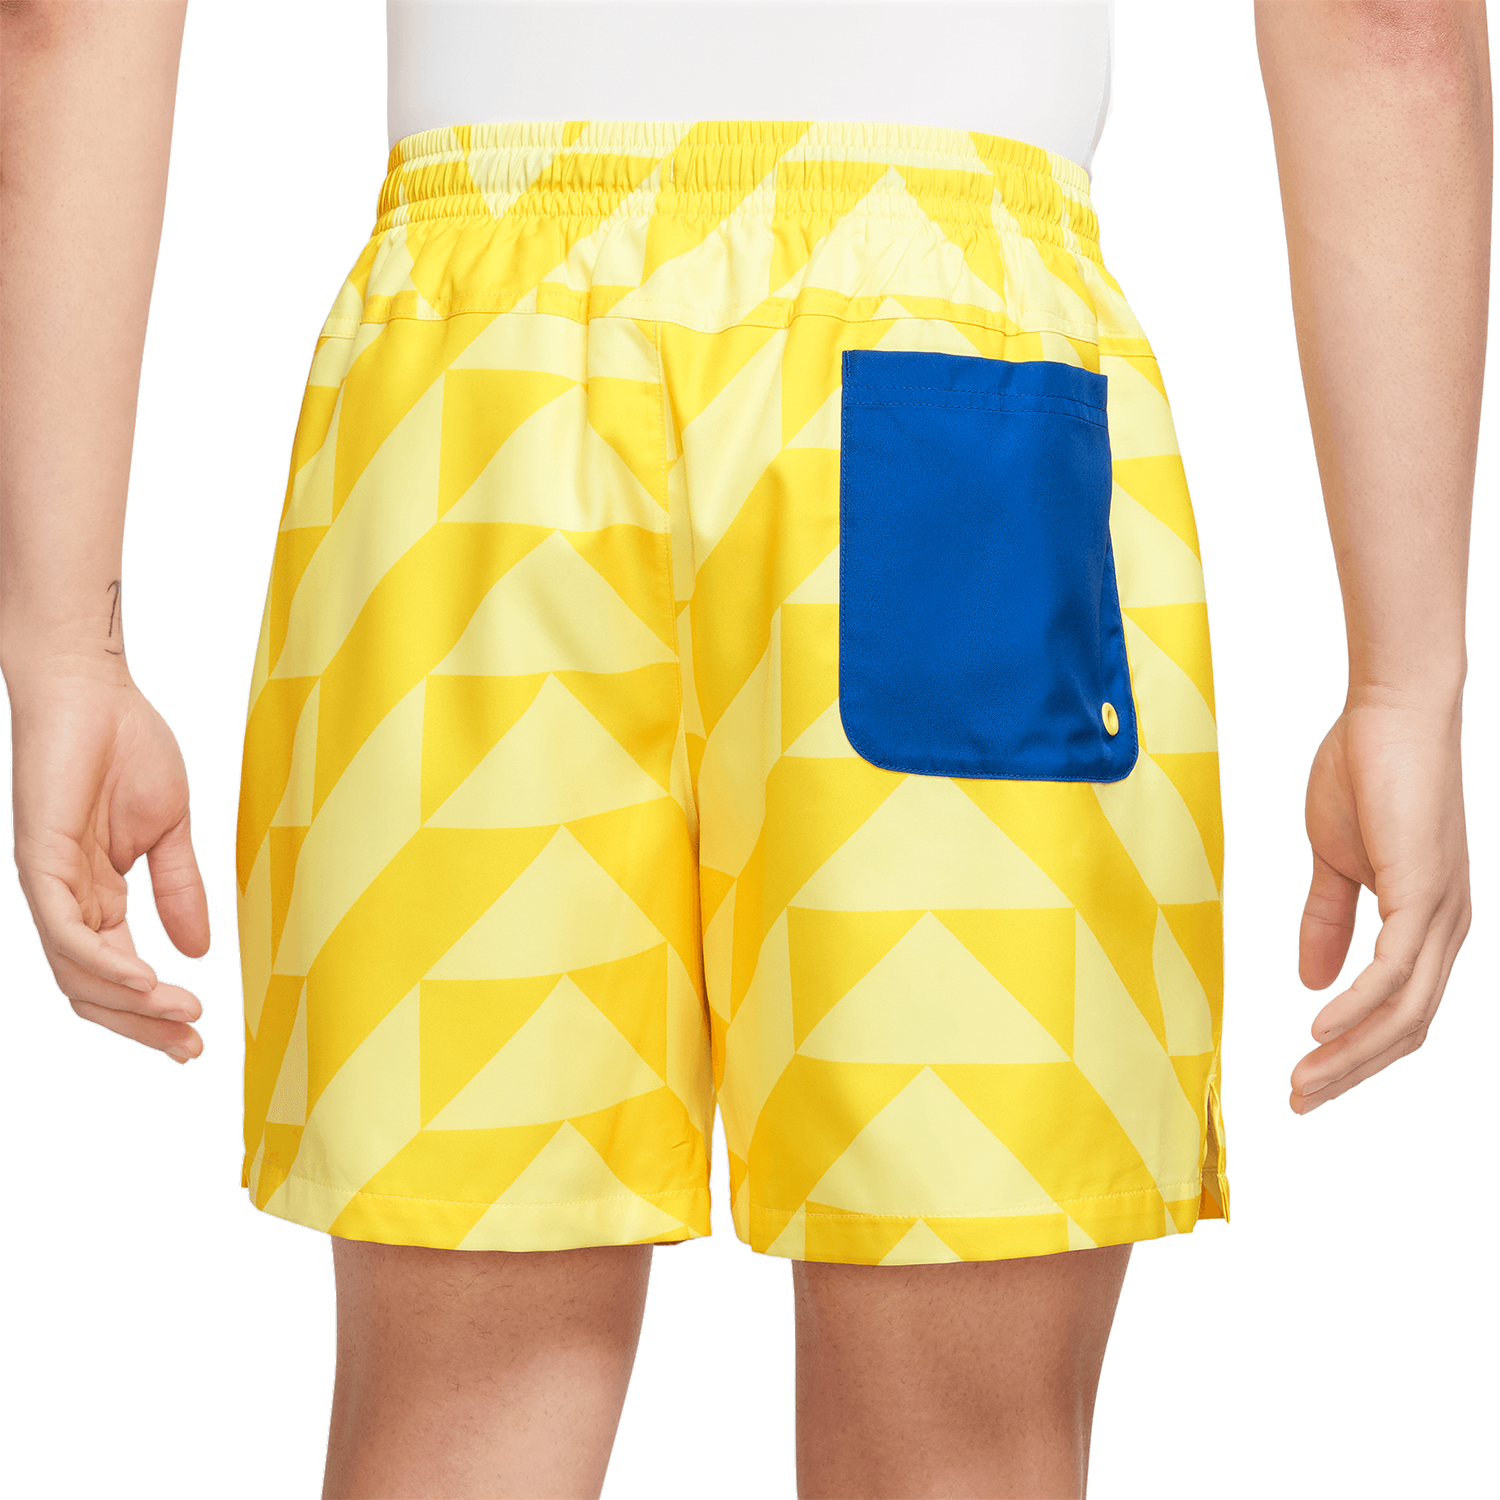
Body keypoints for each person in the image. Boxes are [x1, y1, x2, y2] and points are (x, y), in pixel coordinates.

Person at [0, 2, 1485, 1497]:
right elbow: (1385, 25)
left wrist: (67, 649)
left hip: (471, 398)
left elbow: (64, 22)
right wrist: (1406, 681)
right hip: (959, 379)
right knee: (956, 1445)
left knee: (459, 1420)